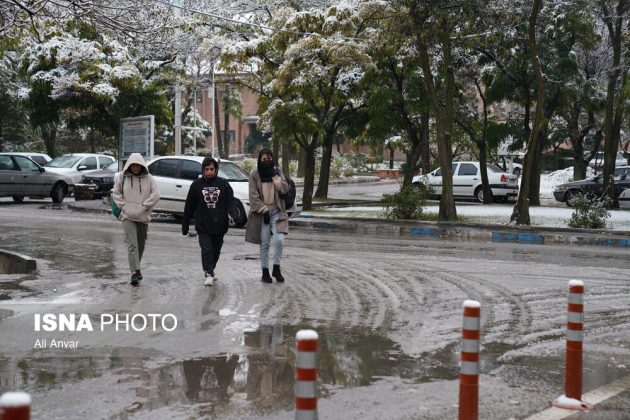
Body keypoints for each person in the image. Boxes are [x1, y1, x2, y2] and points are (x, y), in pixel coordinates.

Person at [182, 156, 234, 287]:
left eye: (212, 169)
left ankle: (211, 268)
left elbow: (231, 202)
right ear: (203, 170)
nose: (209, 172)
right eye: (207, 169)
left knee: (216, 251)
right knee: (206, 249)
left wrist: (236, 215)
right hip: (203, 225)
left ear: (216, 170)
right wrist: (185, 224)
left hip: (220, 225)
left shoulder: (224, 184)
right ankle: (209, 274)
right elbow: (189, 205)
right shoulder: (196, 185)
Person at [112, 153, 160, 286]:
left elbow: (156, 195)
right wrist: (123, 206)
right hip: (127, 216)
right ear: (129, 165)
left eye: (137, 165)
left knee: (140, 244)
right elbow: (115, 193)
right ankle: (135, 272)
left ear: (142, 165)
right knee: (132, 244)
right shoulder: (123, 177)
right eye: (132, 165)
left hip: (143, 216)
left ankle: (136, 268)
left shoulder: (149, 178)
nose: (135, 167)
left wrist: (145, 206)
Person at [245, 148, 289, 283]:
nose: (267, 161)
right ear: (259, 160)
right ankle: (265, 272)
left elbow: (285, 188)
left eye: (269, 159)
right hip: (262, 213)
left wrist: (276, 180)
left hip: (277, 212)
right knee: (264, 243)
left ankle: (276, 267)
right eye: (264, 159)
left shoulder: (277, 171)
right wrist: (263, 210)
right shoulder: (254, 175)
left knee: (279, 240)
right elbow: (253, 196)